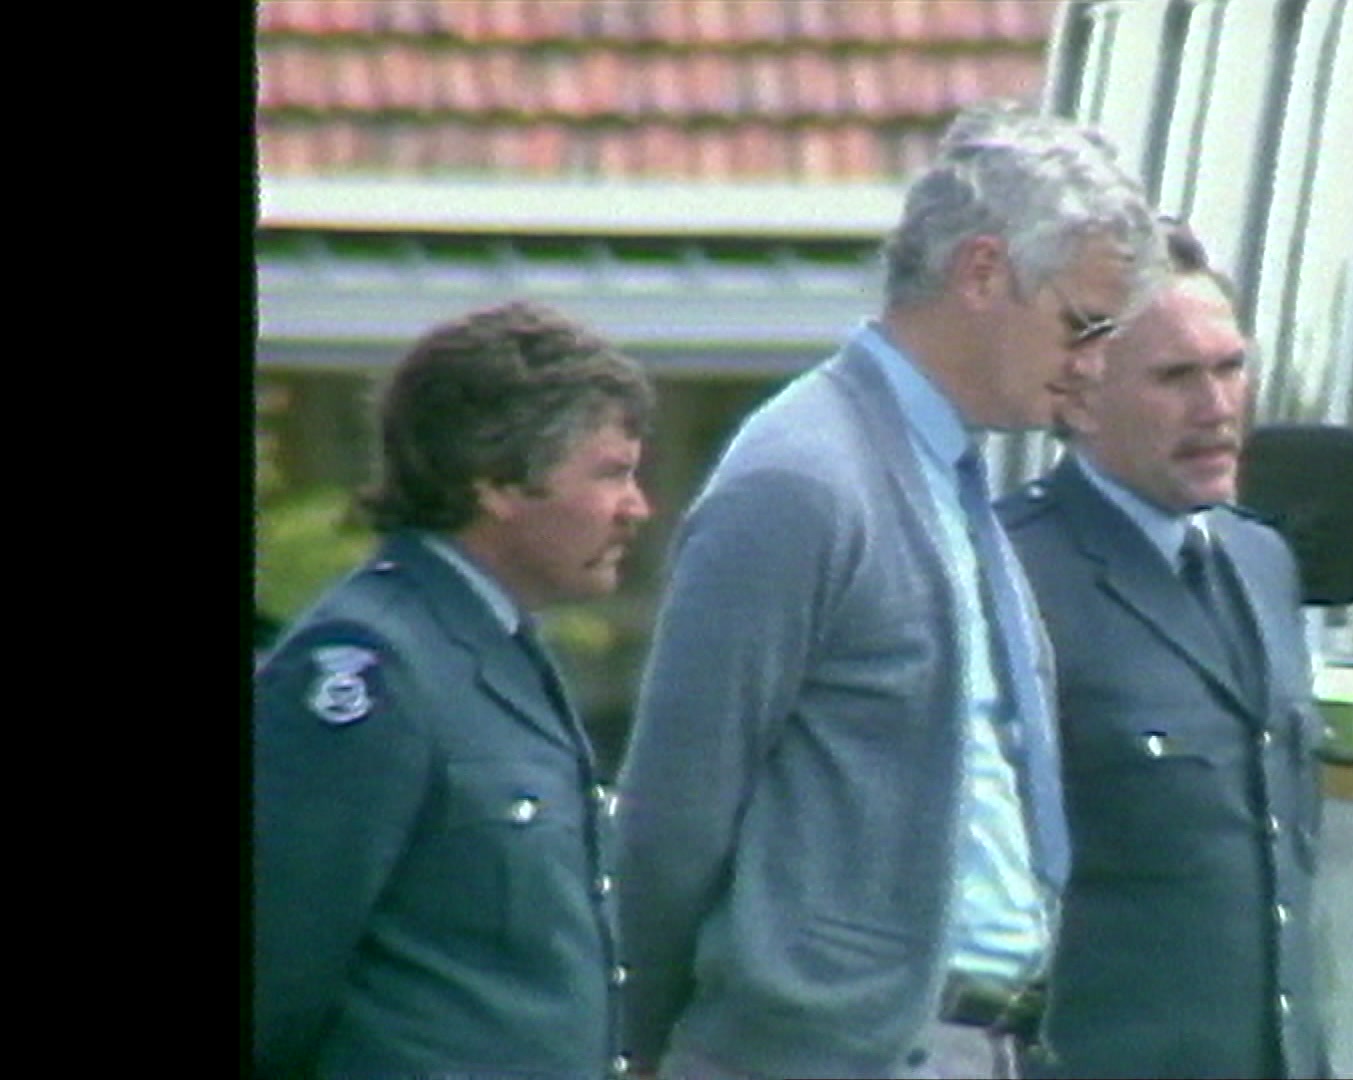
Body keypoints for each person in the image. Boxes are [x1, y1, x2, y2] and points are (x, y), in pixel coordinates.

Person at [613, 100, 1161, 1080]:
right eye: (1081, 325)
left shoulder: (946, 477)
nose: (1094, 364)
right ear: (983, 272)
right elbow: (675, 810)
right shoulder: (803, 478)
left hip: (966, 1045)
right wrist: (646, 1048)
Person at [252, 300, 656, 1079]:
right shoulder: (369, 666)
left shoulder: (500, 649)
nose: (638, 508)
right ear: (499, 481)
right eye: (611, 472)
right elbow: (278, 964)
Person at [997, 219, 1331, 1078]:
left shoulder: (1261, 562)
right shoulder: (1011, 574)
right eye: (1176, 377)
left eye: (1230, 367)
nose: (1217, 408)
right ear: (1080, 395)